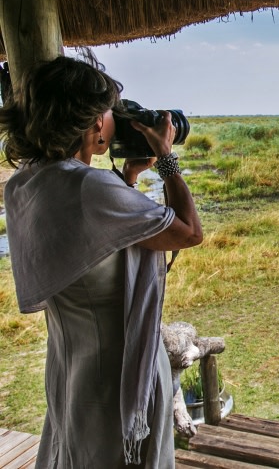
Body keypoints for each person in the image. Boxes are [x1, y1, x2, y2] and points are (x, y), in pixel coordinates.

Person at [0, 50, 202, 467]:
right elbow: (188, 232)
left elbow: (86, 241)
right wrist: (166, 159)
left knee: (73, 453)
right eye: (111, 113)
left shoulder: (25, 184)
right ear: (94, 124)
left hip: (71, 366)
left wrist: (126, 179)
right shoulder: (91, 189)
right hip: (121, 373)